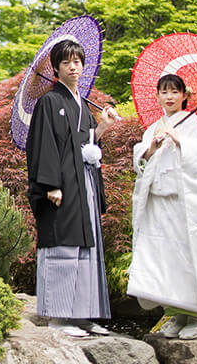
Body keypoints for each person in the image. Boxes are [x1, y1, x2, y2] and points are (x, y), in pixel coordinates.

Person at [26, 37, 120, 337]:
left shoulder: (80, 103)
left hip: (85, 184)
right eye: (66, 62)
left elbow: (85, 143)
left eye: (77, 61)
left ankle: (82, 314)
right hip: (61, 187)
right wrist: (51, 184)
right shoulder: (49, 102)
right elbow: (43, 146)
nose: (73, 66)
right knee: (64, 245)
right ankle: (58, 315)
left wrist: (101, 126)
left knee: (86, 246)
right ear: (56, 67)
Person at [127, 73, 197, 340]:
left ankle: (196, 316)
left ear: (184, 96)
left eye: (175, 91)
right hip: (158, 203)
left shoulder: (195, 125)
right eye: (164, 92)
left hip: (183, 204)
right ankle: (174, 313)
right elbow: (140, 160)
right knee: (164, 259)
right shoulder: (153, 127)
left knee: (187, 257)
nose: (169, 96)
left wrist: (182, 140)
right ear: (158, 96)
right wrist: (150, 148)